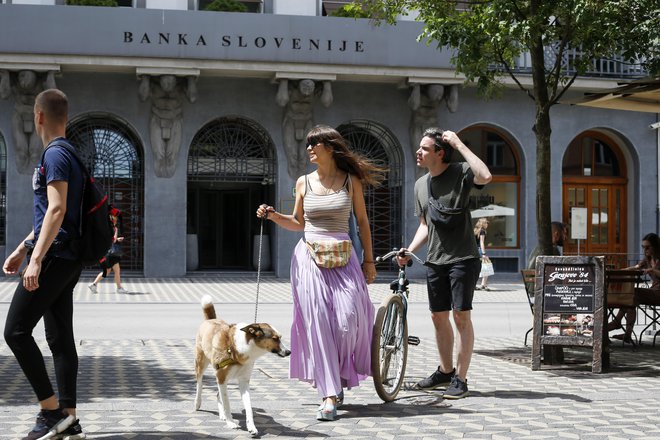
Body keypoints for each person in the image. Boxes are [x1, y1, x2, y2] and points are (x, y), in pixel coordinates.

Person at [255, 125, 383, 421]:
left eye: (315, 144)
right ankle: (328, 393)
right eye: (309, 144)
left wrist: (369, 261)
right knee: (319, 325)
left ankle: (336, 378)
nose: (309, 149)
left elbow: (362, 222)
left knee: (348, 322)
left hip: (345, 257)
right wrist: (274, 216)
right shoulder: (303, 182)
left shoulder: (351, 181)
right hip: (309, 260)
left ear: (330, 147)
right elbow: (299, 223)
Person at [3, 89, 87, 440]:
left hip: (54, 257)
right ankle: (69, 416)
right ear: (64, 117)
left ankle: (50, 411)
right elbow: (53, 215)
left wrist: (35, 259)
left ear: (38, 116)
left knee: (16, 332)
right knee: (59, 338)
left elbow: (56, 209)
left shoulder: (54, 154)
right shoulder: (72, 154)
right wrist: (24, 248)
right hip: (68, 257)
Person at [397, 128, 492, 400]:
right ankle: (446, 371)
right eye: (420, 147)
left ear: (440, 153)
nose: (418, 152)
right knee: (438, 317)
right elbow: (426, 225)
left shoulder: (460, 172)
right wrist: (409, 249)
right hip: (435, 260)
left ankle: (461, 379)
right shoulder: (420, 185)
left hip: (463, 258)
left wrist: (459, 143)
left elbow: (485, 175)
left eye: (425, 148)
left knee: (461, 316)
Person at [138, 74, 197, 178]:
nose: (167, 85)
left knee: (172, 155)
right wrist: (145, 79)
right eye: (164, 82)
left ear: (175, 82)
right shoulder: (154, 88)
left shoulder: (180, 88)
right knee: (158, 154)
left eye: (170, 82)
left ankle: (169, 174)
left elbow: (192, 98)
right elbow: (143, 96)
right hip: (156, 119)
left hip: (175, 119)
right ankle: (160, 173)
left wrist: (191, 79)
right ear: (160, 80)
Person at [607, 233, 660, 343]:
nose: (645, 250)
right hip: (653, 292)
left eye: (647, 247)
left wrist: (653, 271)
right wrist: (619, 272)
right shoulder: (647, 259)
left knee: (633, 294)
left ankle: (617, 323)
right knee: (631, 296)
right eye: (643, 247)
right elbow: (635, 268)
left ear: (655, 246)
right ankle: (627, 333)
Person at [88, 207, 128, 294]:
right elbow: (112, 240)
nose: (116, 220)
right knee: (116, 271)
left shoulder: (106, 227)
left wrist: (116, 238)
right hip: (111, 254)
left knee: (107, 271)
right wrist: (118, 238)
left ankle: (94, 284)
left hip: (107, 253)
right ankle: (119, 288)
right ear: (112, 219)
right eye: (115, 218)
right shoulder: (113, 227)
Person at [473, 217, 490, 290]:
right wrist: (483, 253)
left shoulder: (475, 230)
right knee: (487, 266)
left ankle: (473, 285)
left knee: (476, 268)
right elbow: (481, 242)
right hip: (480, 250)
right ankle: (483, 284)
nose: (487, 224)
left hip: (474, 250)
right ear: (483, 223)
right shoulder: (482, 231)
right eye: (486, 223)